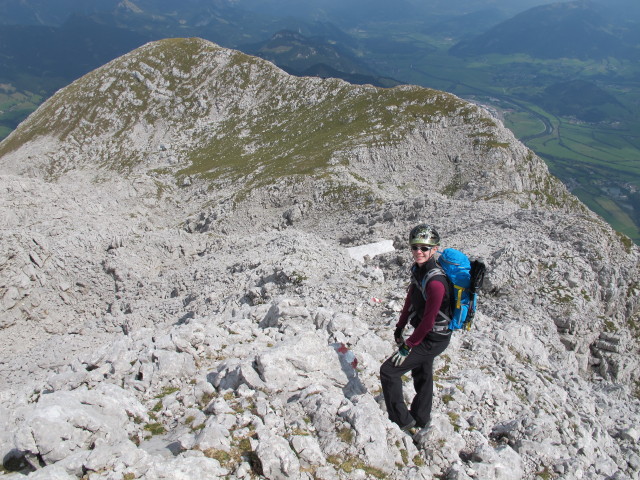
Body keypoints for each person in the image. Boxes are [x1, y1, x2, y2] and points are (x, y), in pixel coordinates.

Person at [380, 223, 452, 433]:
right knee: (422, 372)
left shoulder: (436, 282)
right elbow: (411, 299)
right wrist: (400, 326)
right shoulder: (419, 271)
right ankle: (420, 418)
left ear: (434, 249)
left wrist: (408, 345)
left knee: (388, 371)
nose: (418, 252)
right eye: (415, 247)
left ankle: (402, 421)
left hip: (434, 338)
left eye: (424, 248)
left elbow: (429, 321)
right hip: (427, 333)